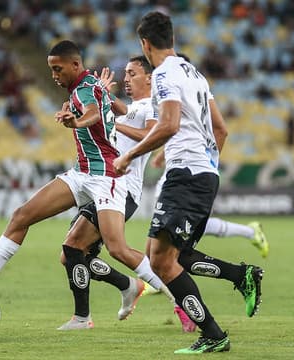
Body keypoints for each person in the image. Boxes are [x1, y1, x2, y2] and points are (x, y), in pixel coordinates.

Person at [0, 41, 167, 318]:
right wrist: (96, 102)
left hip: (106, 178)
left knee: (117, 249)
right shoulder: (87, 88)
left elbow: (93, 114)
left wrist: (76, 120)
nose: (53, 75)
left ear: (75, 65)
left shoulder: (87, 89)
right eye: (51, 69)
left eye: (58, 69)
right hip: (81, 174)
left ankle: (175, 298)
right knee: (23, 217)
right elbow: (102, 109)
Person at [112, 12, 263, 354]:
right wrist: (208, 168)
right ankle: (242, 277)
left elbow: (168, 125)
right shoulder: (193, 72)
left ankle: (213, 334)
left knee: (163, 262)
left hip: (186, 175)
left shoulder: (164, 74)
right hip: (201, 174)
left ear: (145, 44)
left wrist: (127, 156)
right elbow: (221, 128)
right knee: (167, 255)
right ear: (172, 39)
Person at [55, 56, 195, 331]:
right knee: (71, 253)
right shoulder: (131, 108)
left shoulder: (155, 106)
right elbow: (113, 108)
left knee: (109, 249)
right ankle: (127, 286)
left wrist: (110, 123)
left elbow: (150, 133)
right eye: (125, 73)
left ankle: (177, 302)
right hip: (101, 182)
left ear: (149, 78)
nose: (126, 78)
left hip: (122, 188)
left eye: (132, 73)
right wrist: (102, 94)